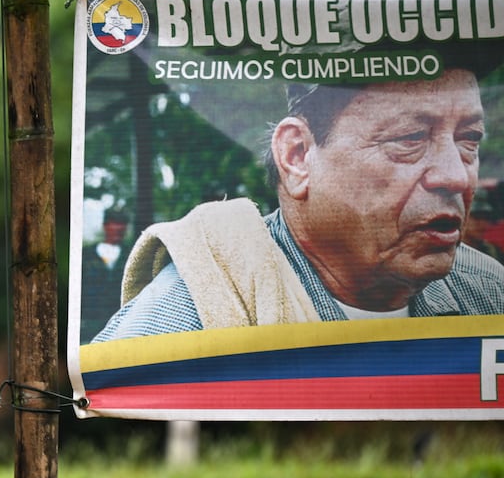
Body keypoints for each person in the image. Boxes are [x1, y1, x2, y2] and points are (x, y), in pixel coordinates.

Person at [95, 65, 504, 341]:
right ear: (297, 156)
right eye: (410, 139)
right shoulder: (186, 317)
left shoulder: (490, 294)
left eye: (468, 139)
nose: (455, 175)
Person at [79, 209, 130, 342]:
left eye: (122, 223)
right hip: (90, 323)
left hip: (123, 324)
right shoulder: (86, 254)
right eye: (114, 223)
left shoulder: (132, 255)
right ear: (105, 225)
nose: (119, 228)